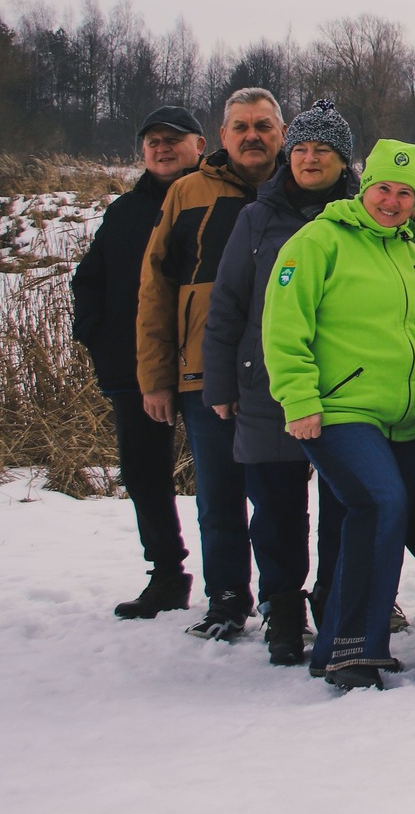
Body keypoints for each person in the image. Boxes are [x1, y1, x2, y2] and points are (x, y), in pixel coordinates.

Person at [262, 139, 415, 689]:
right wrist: (299, 399)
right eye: (385, 188)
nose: (393, 202)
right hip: (339, 409)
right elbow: (283, 323)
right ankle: (355, 645)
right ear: (366, 187)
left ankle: (337, 646)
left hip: (405, 422)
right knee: (380, 502)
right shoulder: (319, 241)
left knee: (371, 518)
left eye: (406, 194)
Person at [201, 99, 359, 665]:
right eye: (302, 149)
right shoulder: (256, 219)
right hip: (267, 387)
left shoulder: (363, 220)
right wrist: (220, 384)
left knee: (346, 507)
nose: (310, 158)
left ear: (345, 161)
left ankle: (336, 604)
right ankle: (283, 612)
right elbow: (228, 306)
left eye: (324, 150)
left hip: (345, 391)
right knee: (275, 511)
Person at [135, 87, 285, 642]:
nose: (252, 136)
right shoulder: (188, 193)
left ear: (281, 133)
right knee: (218, 497)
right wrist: (155, 376)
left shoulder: (298, 192)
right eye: (241, 126)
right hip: (204, 374)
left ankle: (280, 599)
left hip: (281, 377)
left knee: (278, 500)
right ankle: (226, 598)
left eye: (263, 126)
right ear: (221, 137)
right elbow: (156, 289)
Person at [71, 105, 205, 620]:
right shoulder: (125, 212)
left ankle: (240, 583)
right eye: (153, 140)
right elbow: (91, 278)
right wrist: (97, 335)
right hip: (134, 368)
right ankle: (167, 573)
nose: (163, 148)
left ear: (200, 145)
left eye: (174, 138)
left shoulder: (221, 201)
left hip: (205, 364)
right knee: (144, 473)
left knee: (227, 479)